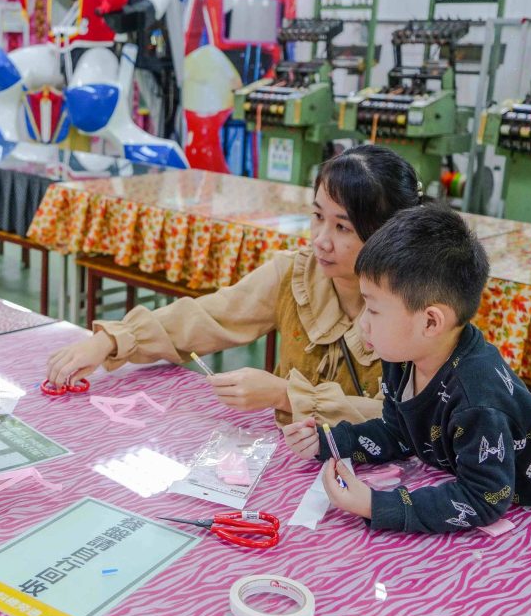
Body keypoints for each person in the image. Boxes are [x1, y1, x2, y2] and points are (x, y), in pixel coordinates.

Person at [280, 203, 531, 553]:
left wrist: (377, 505)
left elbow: (484, 498)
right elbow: (399, 431)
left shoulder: (477, 398)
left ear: (431, 321)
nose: (363, 323)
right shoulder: (403, 355)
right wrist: (332, 440)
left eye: (373, 309)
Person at [45, 144, 422, 427]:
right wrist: (113, 340)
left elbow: (415, 420)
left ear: (386, 234)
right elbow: (210, 315)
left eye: (343, 228)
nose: (321, 239)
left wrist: (284, 395)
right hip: (296, 460)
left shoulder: (419, 306)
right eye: (317, 217)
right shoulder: (298, 274)